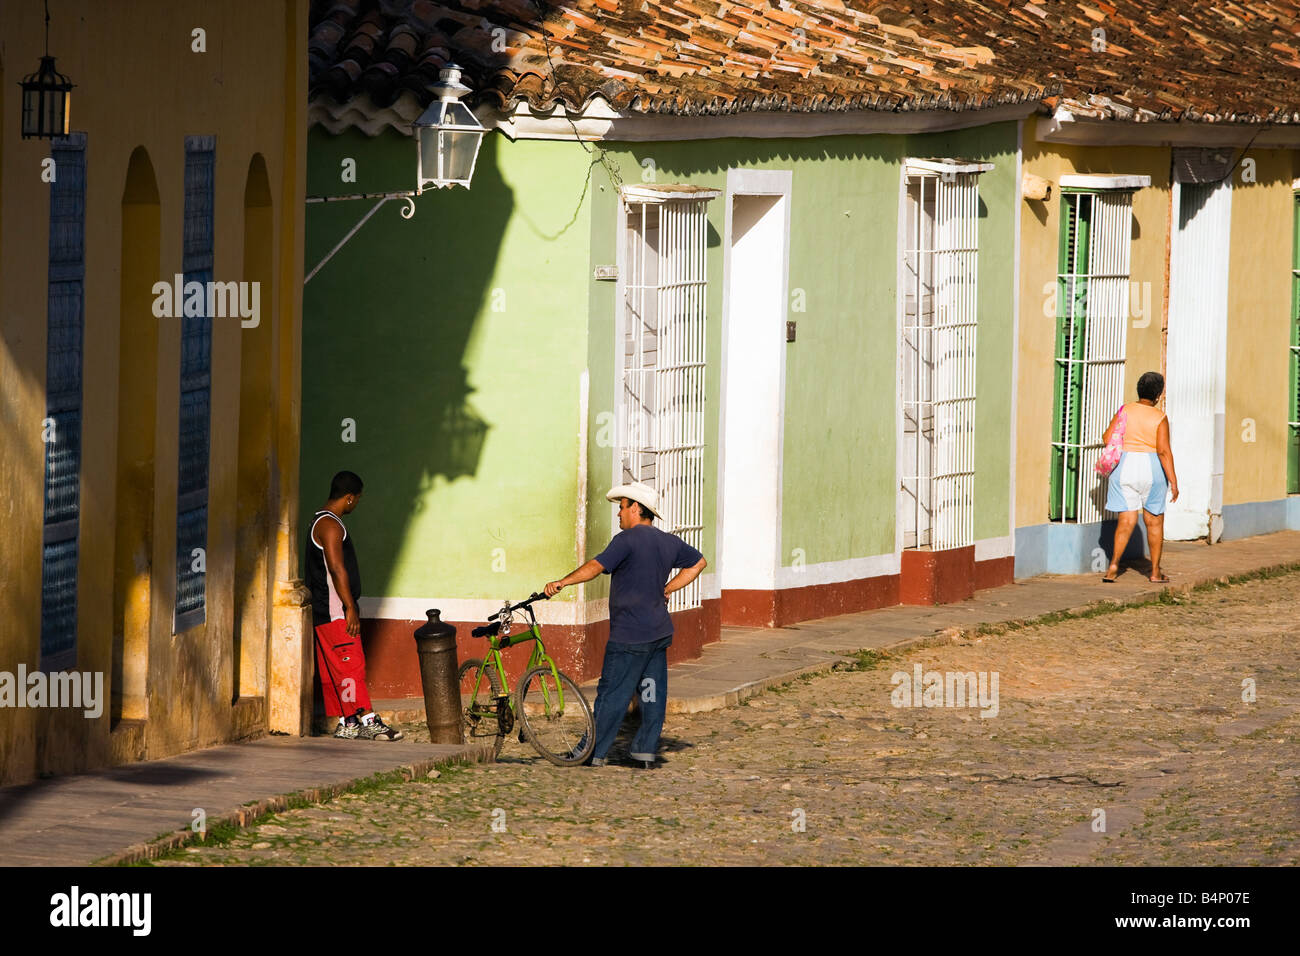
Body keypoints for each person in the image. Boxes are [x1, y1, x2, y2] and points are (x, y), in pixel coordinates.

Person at [545, 483, 706, 767]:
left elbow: (595, 567)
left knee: (612, 695)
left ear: (636, 508)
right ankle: (644, 751)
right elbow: (699, 563)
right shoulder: (668, 542)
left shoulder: (626, 540)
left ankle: (591, 753)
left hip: (630, 636)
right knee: (651, 693)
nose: (618, 514)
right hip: (658, 632)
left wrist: (562, 582)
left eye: (621, 507)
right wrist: (667, 589)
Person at [307, 470, 403, 741]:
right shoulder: (331, 525)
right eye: (357, 500)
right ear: (349, 498)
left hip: (325, 612)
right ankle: (368, 719)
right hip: (336, 611)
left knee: (334, 670)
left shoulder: (321, 522)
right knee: (351, 667)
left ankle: (348, 722)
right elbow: (337, 569)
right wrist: (350, 607)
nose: (356, 504)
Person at [1100, 371, 1180, 584]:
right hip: (1151, 470)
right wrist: (1173, 481)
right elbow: (1163, 451)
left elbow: (1107, 437)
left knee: (1126, 520)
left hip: (1124, 468)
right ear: (1158, 394)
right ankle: (1155, 572)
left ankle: (1113, 567)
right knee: (1154, 521)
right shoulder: (1160, 417)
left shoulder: (1125, 410)